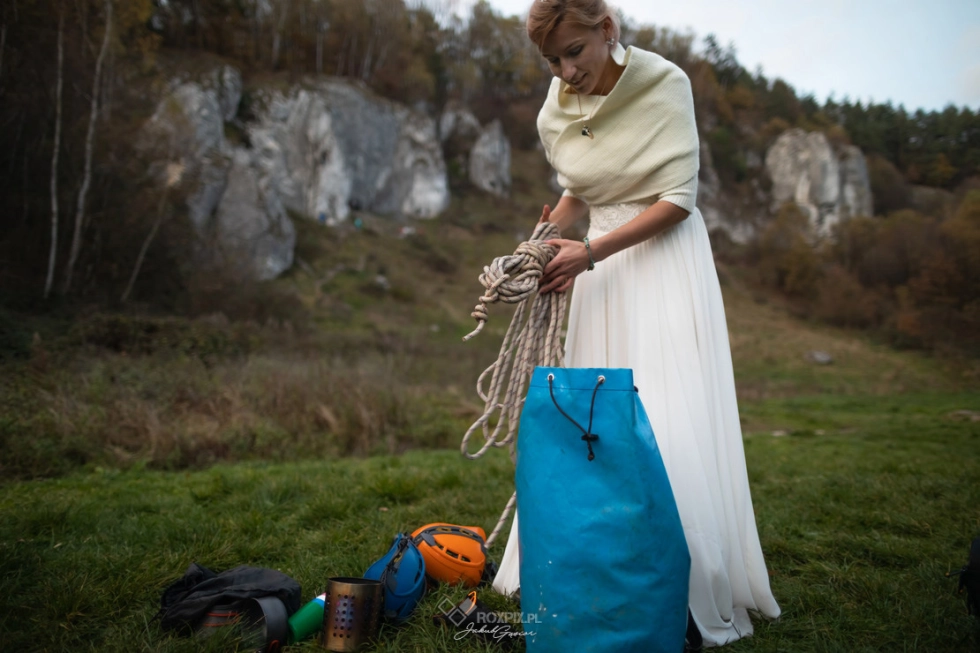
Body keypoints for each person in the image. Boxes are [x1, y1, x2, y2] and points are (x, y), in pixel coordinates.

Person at [491, 0, 781, 646]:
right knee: (599, 421)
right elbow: (582, 189)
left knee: (665, 415)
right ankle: (605, 566)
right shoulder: (559, 105)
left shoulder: (664, 86)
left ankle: (686, 576)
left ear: (607, 31)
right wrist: (546, 237)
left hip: (661, 262)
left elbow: (678, 199)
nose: (565, 71)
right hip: (598, 275)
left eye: (575, 53)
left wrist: (591, 252)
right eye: (553, 61)